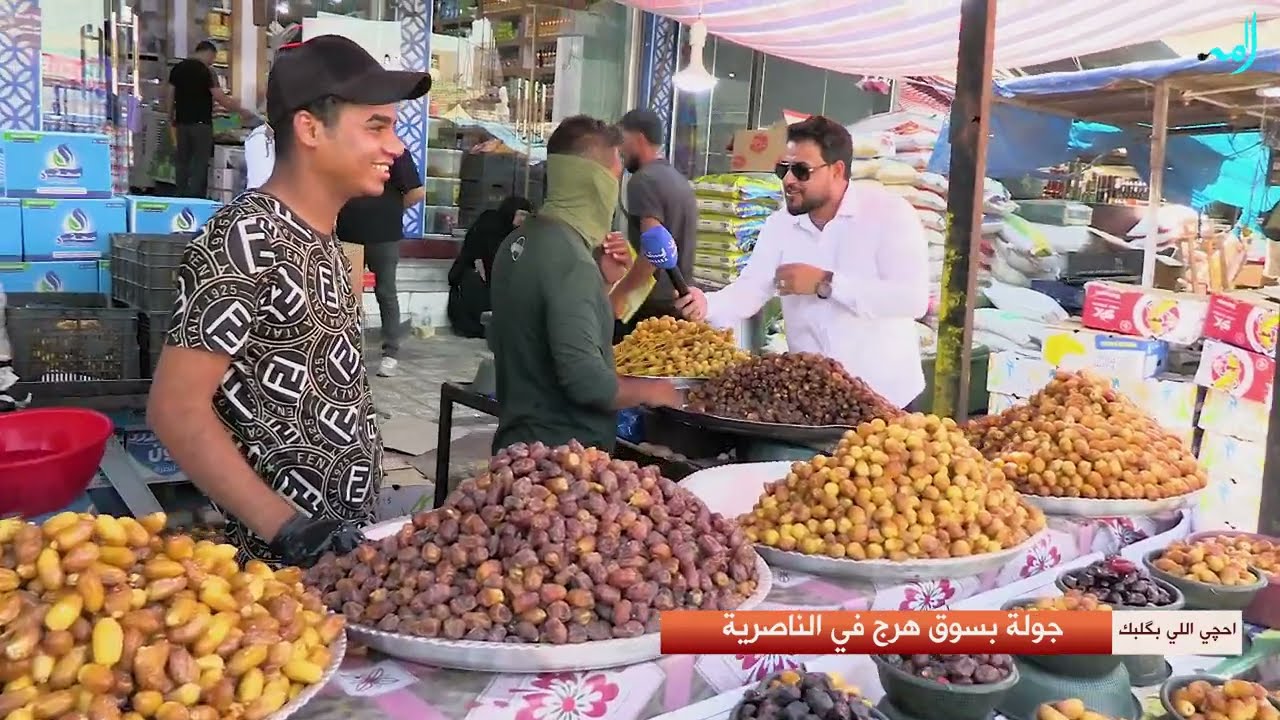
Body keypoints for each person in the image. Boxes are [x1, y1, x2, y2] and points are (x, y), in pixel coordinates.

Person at [147, 35, 432, 567]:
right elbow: (174, 408)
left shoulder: (326, 238)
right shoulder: (244, 238)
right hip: (278, 570)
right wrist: (289, 529)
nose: (396, 148)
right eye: (377, 126)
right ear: (309, 128)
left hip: (344, 553)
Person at [676, 115, 930, 409]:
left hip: (886, 396)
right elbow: (750, 289)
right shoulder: (780, 225)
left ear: (836, 171)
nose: (788, 180)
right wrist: (706, 304)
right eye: (783, 168)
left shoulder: (888, 214)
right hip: (815, 398)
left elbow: (911, 300)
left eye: (801, 170)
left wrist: (826, 282)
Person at [488, 115, 682, 453]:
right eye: (615, 178)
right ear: (595, 183)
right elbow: (588, 383)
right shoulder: (571, 262)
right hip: (561, 459)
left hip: (517, 445)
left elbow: (551, 335)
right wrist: (656, 391)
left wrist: (605, 283)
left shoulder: (517, 242)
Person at [610, 109, 699, 341]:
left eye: (623, 142)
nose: (620, 151)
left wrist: (618, 295)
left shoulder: (643, 181)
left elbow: (654, 250)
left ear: (639, 139)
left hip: (651, 310)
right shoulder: (678, 180)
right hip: (677, 304)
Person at [336, 149, 425, 377]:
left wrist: (392, 210)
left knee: (386, 292)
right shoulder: (347, 145)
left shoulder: (394, 151)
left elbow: (417, 191)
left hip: (384, 234)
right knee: (342, 294)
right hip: (348, 232)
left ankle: (390, 354)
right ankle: (344, 350)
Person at [167, 40, 249, 198]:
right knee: (199, 164)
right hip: (201, 125)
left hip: (182, 123)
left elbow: (169, 95)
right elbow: (220, 97)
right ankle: (196, 200)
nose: (212, 61)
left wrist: (170, 116)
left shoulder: (178, 68)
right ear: (208, 53)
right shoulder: (207, 71)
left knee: (182, 162)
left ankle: (179, 197)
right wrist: (241, 111)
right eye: (213, 57)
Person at [447, 196, 533, 338]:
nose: (523, 219)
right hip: (474, 275)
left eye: (526, 216)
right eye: (521, 214)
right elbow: (477, 255)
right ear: (511, 212)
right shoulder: (489, 224)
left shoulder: (519, 234)